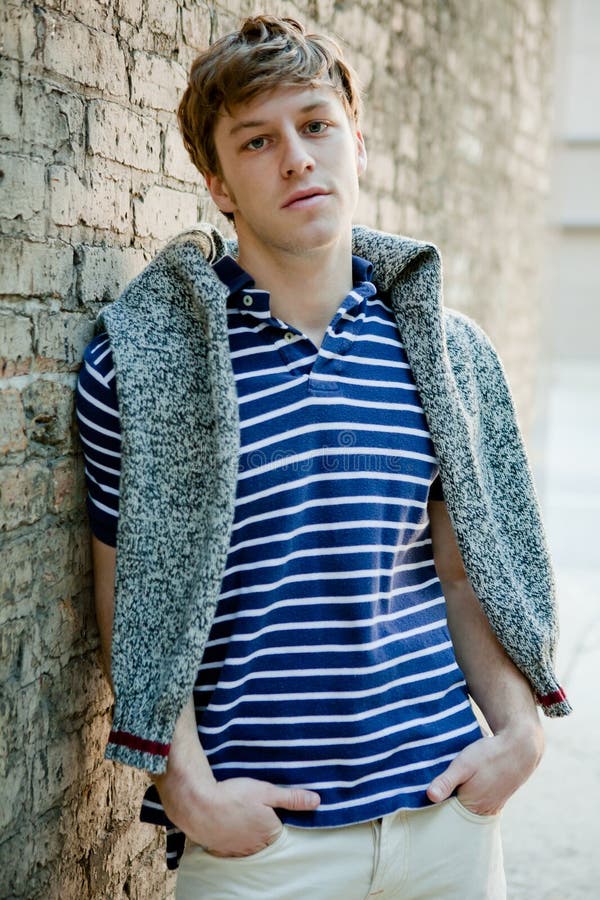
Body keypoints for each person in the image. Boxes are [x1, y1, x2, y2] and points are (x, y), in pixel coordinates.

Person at [76, 14, 570, 899]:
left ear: (358, 145)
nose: (297, 158)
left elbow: (465, 570)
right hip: (263, 849)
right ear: (218, 183)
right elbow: (130, 587)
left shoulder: (446, 352)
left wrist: (519, 734)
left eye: (315, 125)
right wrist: (185, 789)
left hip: (445, 815)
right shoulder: (146, 359)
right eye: (257, 141)